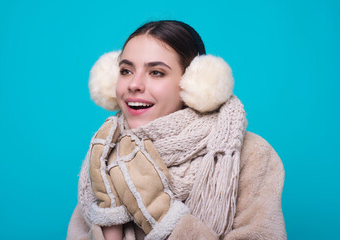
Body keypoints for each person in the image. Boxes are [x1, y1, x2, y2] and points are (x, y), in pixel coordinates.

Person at [67, 20, 286, 240]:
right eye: (126, 70)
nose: (134, 84)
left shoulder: (251, 154)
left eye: (156, 72)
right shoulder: (104, 153)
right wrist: (110, 223)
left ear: (195, 83)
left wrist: (162, 215)